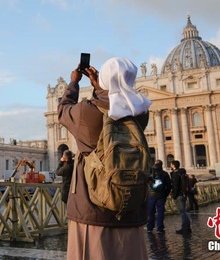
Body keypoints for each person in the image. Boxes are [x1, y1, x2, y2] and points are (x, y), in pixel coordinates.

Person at [58, 57, 151, 260]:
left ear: (104, 80)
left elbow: (63, 110)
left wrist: (74, 82)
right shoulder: (141, 113)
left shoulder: (86, 111)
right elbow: (115, 105)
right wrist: (101, 87)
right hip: (131, 206)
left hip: (92, 208)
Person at [147, 160, 171, 234]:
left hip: (151, 196)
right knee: (160, 212)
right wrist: (165, 194)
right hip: (161, 195)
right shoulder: (165, 174)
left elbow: (146, 185)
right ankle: (160, 228)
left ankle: (150, 227)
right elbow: (169, 186)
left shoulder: (150, 174)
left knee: (151, 212)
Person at [170, 160, 191, 234]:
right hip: (184, 194)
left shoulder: (176, 174)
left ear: (173, 165)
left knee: (182, 212)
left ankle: (185, 228)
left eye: (171, 164)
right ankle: (187, 227)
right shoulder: (182, 173)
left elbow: (175, 186)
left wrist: (174, 195)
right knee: (184, 211)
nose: (170, 165)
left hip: (178, 195)